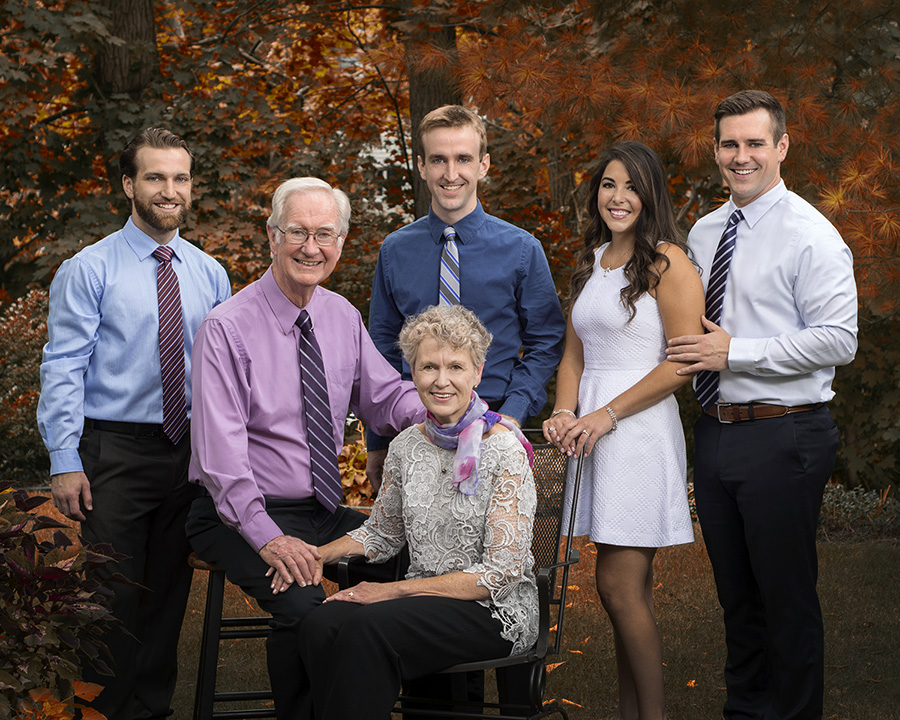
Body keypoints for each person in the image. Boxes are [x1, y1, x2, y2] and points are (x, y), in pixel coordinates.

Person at [186, 177, 425, 720]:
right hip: (236, 513)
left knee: (416, 570)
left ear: (341, 242)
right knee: (304, 606)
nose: (310, 247)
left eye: (325, 234)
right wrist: (269, 539)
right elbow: (220, 460)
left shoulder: (341, 315)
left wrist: (457, 414)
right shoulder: (226, 328)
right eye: (297, 232)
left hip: (320, 510)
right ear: (272, 235)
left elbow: (387, 398)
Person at [665, 90, 858, 720]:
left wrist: (736, 354)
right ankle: (744, 713)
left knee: (786, 600)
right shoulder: (704, 230)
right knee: (737, 600)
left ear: (781, 147)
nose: (740, 156)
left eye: (754, 143)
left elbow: (839, 339)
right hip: (717, 433)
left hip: (785, 433)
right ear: (716, 149)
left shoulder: (811, 235)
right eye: (729, 144)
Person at [37, 128, 231, 719]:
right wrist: (65, 458)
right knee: (112, 599)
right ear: (129, 185)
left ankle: (151, 711)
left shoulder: (210, 274)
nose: (169, 190)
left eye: (179, 178)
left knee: (169, 598)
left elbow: (220, 377)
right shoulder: (88, 269)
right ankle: (103, 713)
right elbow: (64, 365)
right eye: (155, 177)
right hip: (114, 452)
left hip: (186, 454)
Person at [295, 304, 538, 720]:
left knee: (368, 627)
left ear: (478, 372)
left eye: (456, 367)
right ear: (412, 374)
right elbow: (381, 534)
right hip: (422, 600)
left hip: (493, 609)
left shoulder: (504, 449)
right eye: (428, 367)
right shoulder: (406, 445)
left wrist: (387, 592)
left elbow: (501, 575)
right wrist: (318, 554)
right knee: (322, 624)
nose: (441, 381)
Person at [543, 141, 704, 720]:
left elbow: (680, 364)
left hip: (636, 433)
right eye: (609, 185)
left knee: (616, 586)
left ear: (650, 193)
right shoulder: (592, 260)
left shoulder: (669, 263)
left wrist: (606, 414)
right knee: (623, 594)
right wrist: (565, 411)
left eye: (631, 186)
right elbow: (573, 357)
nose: (618, 197)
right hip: (589, 432)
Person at [366, 104, 565, 487]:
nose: (451, 173)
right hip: (413, 432)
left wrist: (513, 414)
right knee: (413, 546)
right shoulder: (395, 251)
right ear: (422, 166)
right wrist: (378, 440)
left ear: (483, 165)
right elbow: (382, 354)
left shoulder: (521, 250)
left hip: (495, 428)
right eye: (438, 160)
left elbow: (546, 341)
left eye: (463, 159)